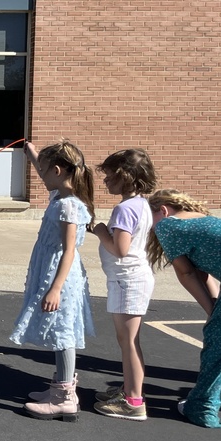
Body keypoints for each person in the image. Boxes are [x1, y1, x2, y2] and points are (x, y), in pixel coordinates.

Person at [12, 140, 95, 421]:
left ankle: (64, 399)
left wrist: (55, 288)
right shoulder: (61, 194)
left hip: (60, 276)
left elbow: (69, 249)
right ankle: (60, 386)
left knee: (63, 333)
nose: (40, 175)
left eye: (45, 171)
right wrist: (33, 153)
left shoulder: (68, 206)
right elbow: (45, 170)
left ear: (58, 171)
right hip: (52, 271)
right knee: (61, 331)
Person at [147, 189, 221, 428]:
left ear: (163, 210)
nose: (152, 229)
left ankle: (201, 407)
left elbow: (187, 272)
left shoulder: (169, 225)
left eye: (151, 222)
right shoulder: (204, 221)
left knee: (217, 347)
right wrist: (214, 308)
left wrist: (212, 311)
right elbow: (203, 275)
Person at [91, 149, 158, 421]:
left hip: (127, 280)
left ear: (125, 177)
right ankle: (130, 391)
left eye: (109, 176)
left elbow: (120, 248)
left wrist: (100, 231)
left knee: (128, 341)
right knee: (128, 340)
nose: (105, 181)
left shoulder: (124, 209)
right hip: (130, 278)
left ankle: (133, 401)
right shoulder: (141, 204)